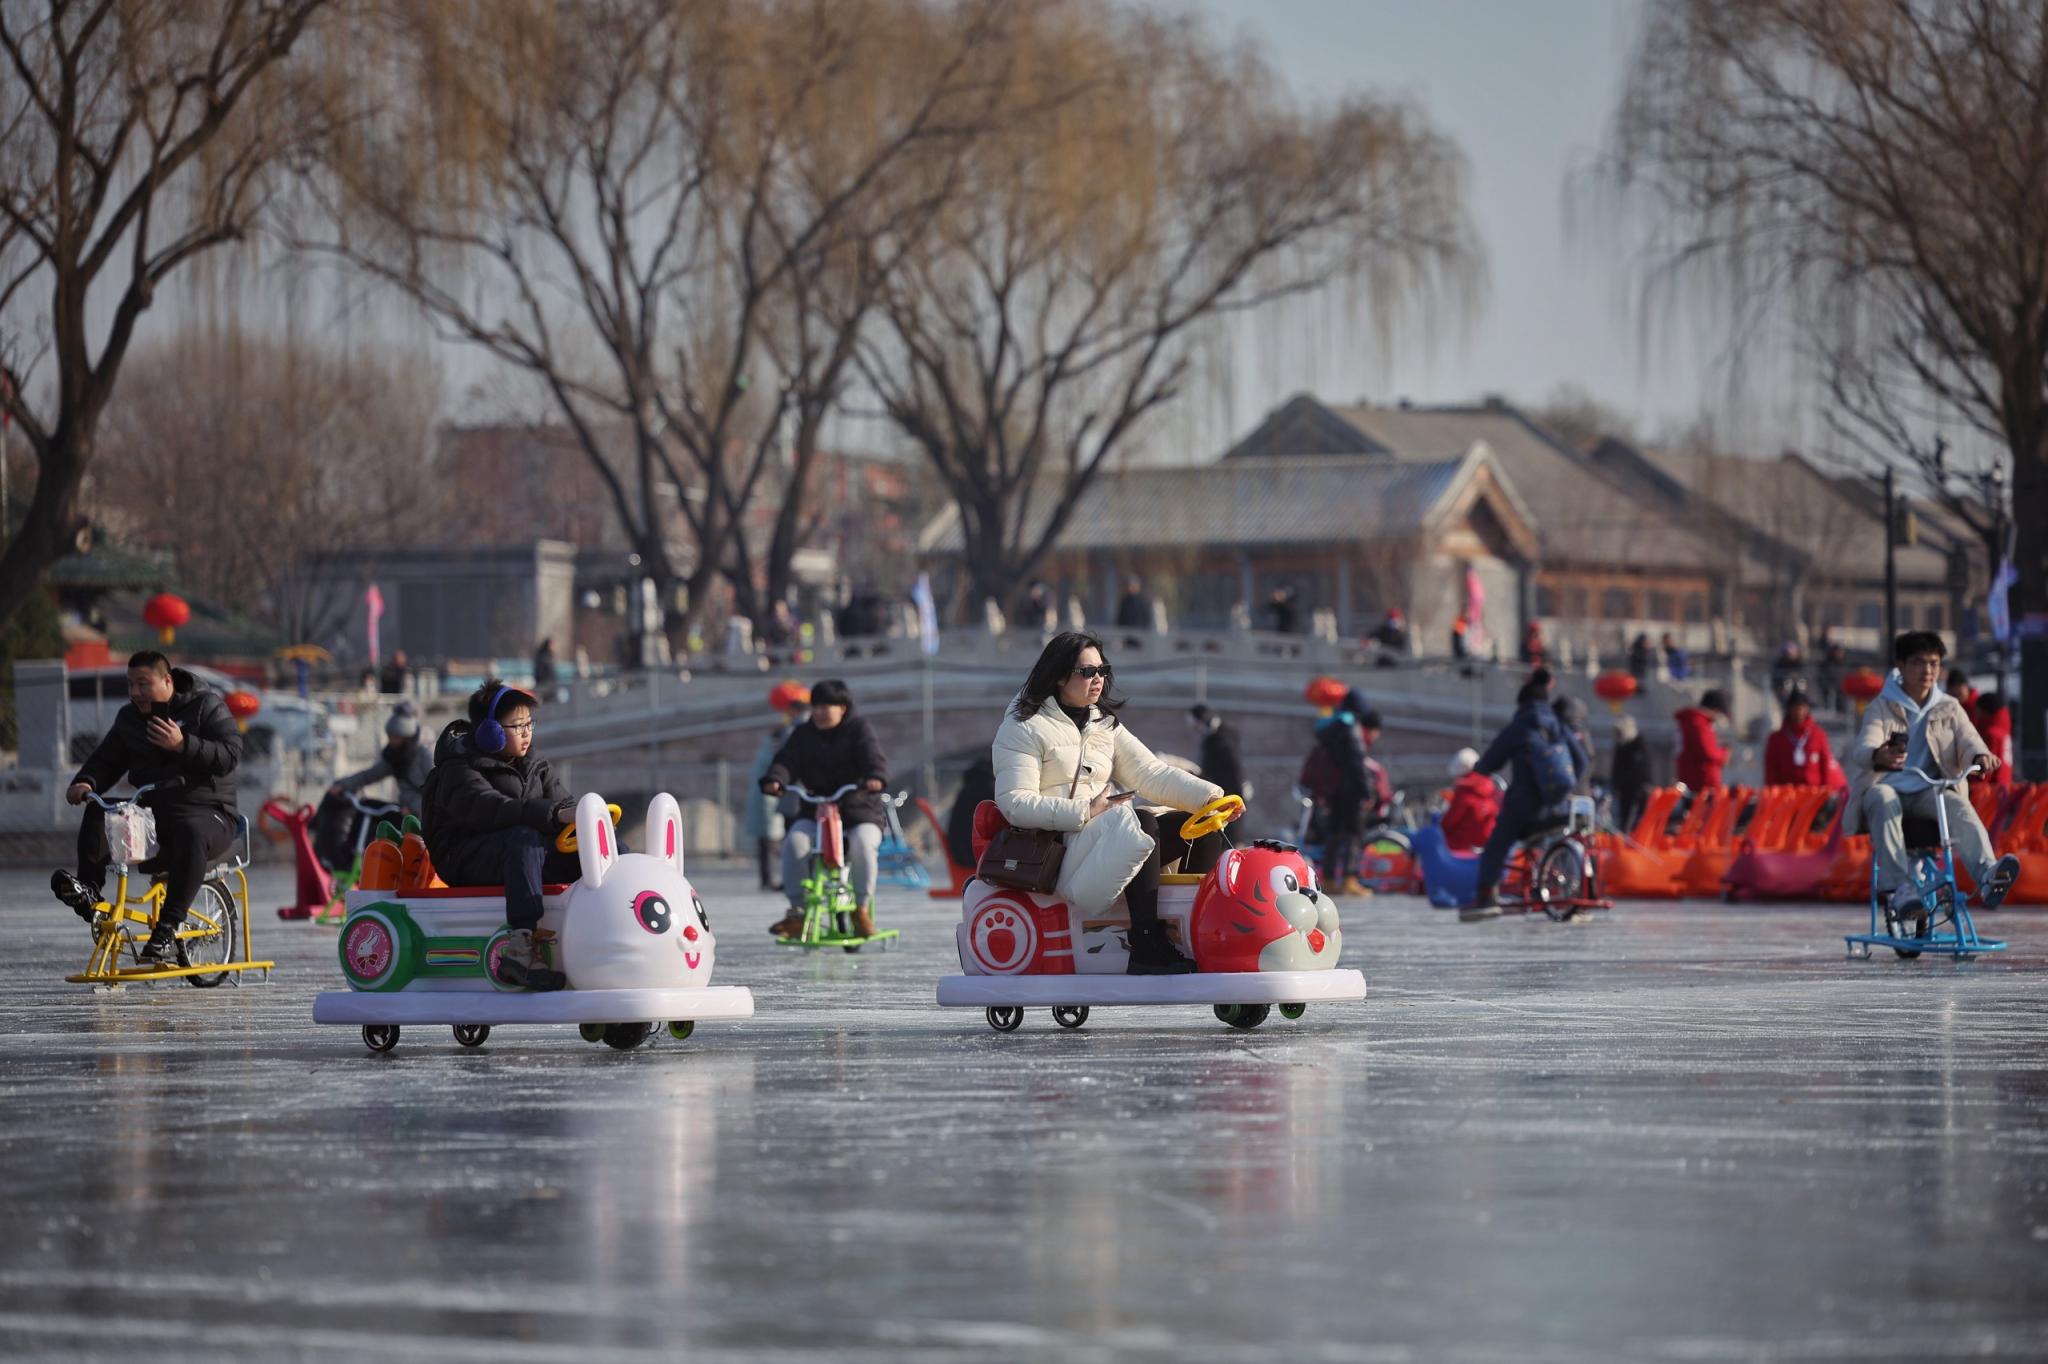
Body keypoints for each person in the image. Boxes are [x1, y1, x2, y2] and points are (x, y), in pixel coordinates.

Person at [993, 632, 1234, 974]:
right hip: (1057, 850)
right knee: (1141, 824)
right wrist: (1084, 811)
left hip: (1104, 838)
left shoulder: (1103, 725)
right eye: (1087, 672)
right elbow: (1014, 803)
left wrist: (1211, 798)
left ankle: (1202, 931)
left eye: (1102, 670)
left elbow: (1150, 773)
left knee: (1198, 825)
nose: (1098, 680)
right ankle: (1146, 944)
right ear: (1060, 675)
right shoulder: (1024, 727)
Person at [51, 651, 243, 965]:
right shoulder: (129, 719)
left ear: (167, 681)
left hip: (210, 811)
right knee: (102, 811)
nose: (135, 693)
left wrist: (183, 744)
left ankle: (168, 927)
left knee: (190, 830)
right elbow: (106, 760)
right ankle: (89, 895)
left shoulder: (206, 706)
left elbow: (230, 754)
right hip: (153, 814)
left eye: (143, 684)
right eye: (130, 685)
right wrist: (86, 782)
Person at [1845, 631, 2019, 921]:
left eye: (1934, 664)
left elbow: (1969, 739)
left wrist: (1980, 756)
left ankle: (1988, 874)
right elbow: (1864, 744)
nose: (1927, 670)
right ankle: (1900, 888)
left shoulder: (1949, 706)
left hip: (1931, 792)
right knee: (1879, 796)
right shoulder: (1881, 706)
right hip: (1890, 787)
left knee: (1959, 805)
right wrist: (1878, 754)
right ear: (1900, 665)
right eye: (1918, 663)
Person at [421, 680, 578, 991]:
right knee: (523, 837)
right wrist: (553, 814)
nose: (526, 732)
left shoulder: (535, 765)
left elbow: (564, 803)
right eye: (516, 725)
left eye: (529, 723)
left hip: (521, 855)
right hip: (465, 859)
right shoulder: (457, 769)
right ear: (490, 731)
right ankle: (520, 951)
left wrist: (587, 821)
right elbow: (491, 809)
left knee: (602, 847)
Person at [760, 679, 890, 939]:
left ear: (842, 707)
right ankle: (796, 911)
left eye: (826, 706)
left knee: (863, 844)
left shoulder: (859, 729)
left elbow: (873, 757)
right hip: (815, 811)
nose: (819, 712)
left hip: (858, 810)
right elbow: (786, 761)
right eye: (815, 706)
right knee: (794, 843)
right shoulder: (803, 734)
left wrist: (874, 776)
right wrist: (776, 779)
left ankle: (861, 909)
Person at [1463, 669, 1587, 921]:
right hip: (1559, 807)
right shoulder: (1559, 726)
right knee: (1540, 842)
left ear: (1522, 703)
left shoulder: (1519, 727)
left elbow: (1490, 762)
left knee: (1495, 847)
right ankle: (1550, 887)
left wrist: (1478, 769)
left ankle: (1486, 896)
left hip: (1525, 808)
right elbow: (1582, 761)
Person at [1304, 694, 1372, 897]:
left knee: (1334, 834)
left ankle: (1330, 879)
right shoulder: (1350, 728)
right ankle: (1350, 879)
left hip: (1332, 790)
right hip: (1351, 791)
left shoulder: (1330, 727)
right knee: (1353, 835)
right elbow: (1357, 763)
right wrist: (1367, 790)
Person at [743, 696, 809, 891]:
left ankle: (787, 879)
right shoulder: (790, 731)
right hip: (785, 792)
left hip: (787, 793)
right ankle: (791, 880)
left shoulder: (790, 731)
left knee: (785, 839)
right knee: (787, 839)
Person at [331, 702, 433, 814]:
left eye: (396, 737)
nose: (391, 740)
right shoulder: (394, 756)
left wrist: (416, 808)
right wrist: (342, 784)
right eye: (390, 735)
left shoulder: (424, 755)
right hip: (405, 812)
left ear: (406, 738)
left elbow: (437, 792)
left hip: (425, 818)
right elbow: (369, 775)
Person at [1763, 693, 1842, 788]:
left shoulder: (1818, 735)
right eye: (1795, 708)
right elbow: (1771, 768)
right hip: (1787, 792)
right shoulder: (1776, 739)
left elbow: (1825, 763)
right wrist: (1773, 790)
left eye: (1801, 708)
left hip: (1813, 792)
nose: (1798, 712)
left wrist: (1825, 789)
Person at [1439, 747, 1501, 854]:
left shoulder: (1464, 790)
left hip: (1465, 844)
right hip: (1488, 839)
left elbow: (1448, 823)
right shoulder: (1490, 786)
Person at [1674, 688, 1732, 790]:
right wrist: (1724, 753)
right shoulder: (1699, 723)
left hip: (1692, 780)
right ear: (1715, 709)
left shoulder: (1691, 721)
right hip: (1701, 783)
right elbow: (1708, 752)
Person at [1188, 704, 1245, 805]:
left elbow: (1233, 764)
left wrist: (1239, 789)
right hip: (1219, 789)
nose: (1197, 729)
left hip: (1227, 791)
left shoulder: (1223, 737)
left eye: (1196, 725)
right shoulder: (1215, 737)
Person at [1608, 714, 1653, 835]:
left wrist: (1643, 785)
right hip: (1624, 791)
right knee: (1624, 820)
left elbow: (1642, 769)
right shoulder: (1621, 746)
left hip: (1637, 790)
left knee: (1636, 820)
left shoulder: (1638, 746)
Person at [1976, 693, 2015, 790]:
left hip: (1991, 791)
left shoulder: (1991, 734)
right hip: (2005, 786)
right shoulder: (2003, 731)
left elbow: (1988, 767)